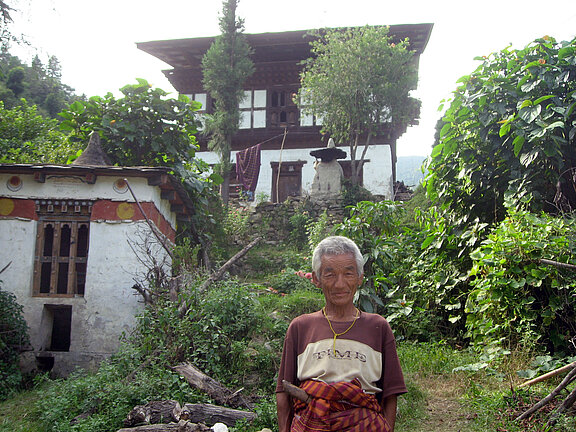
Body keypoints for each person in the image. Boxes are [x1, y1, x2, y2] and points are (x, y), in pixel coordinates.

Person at [276, 236, 407, 432]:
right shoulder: (300, 327)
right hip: (310, 425)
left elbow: (390, 394)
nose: (340, 284)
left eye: (348, 273)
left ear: (360, 277)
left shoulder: (378, 327)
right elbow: (283, 394)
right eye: (329, 274)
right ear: (316, 279)